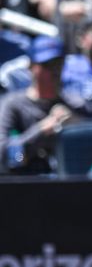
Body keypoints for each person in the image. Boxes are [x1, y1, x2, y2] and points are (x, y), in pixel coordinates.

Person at [0, 37, 76, 175]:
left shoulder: (73, 104)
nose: (55, 72)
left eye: (59, 65)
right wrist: (41, 131)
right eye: (48, 66)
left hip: (69, 187)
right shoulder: (13, 105)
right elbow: (8, 159)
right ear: (31, 66)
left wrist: (78, 127)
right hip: (26, 187)